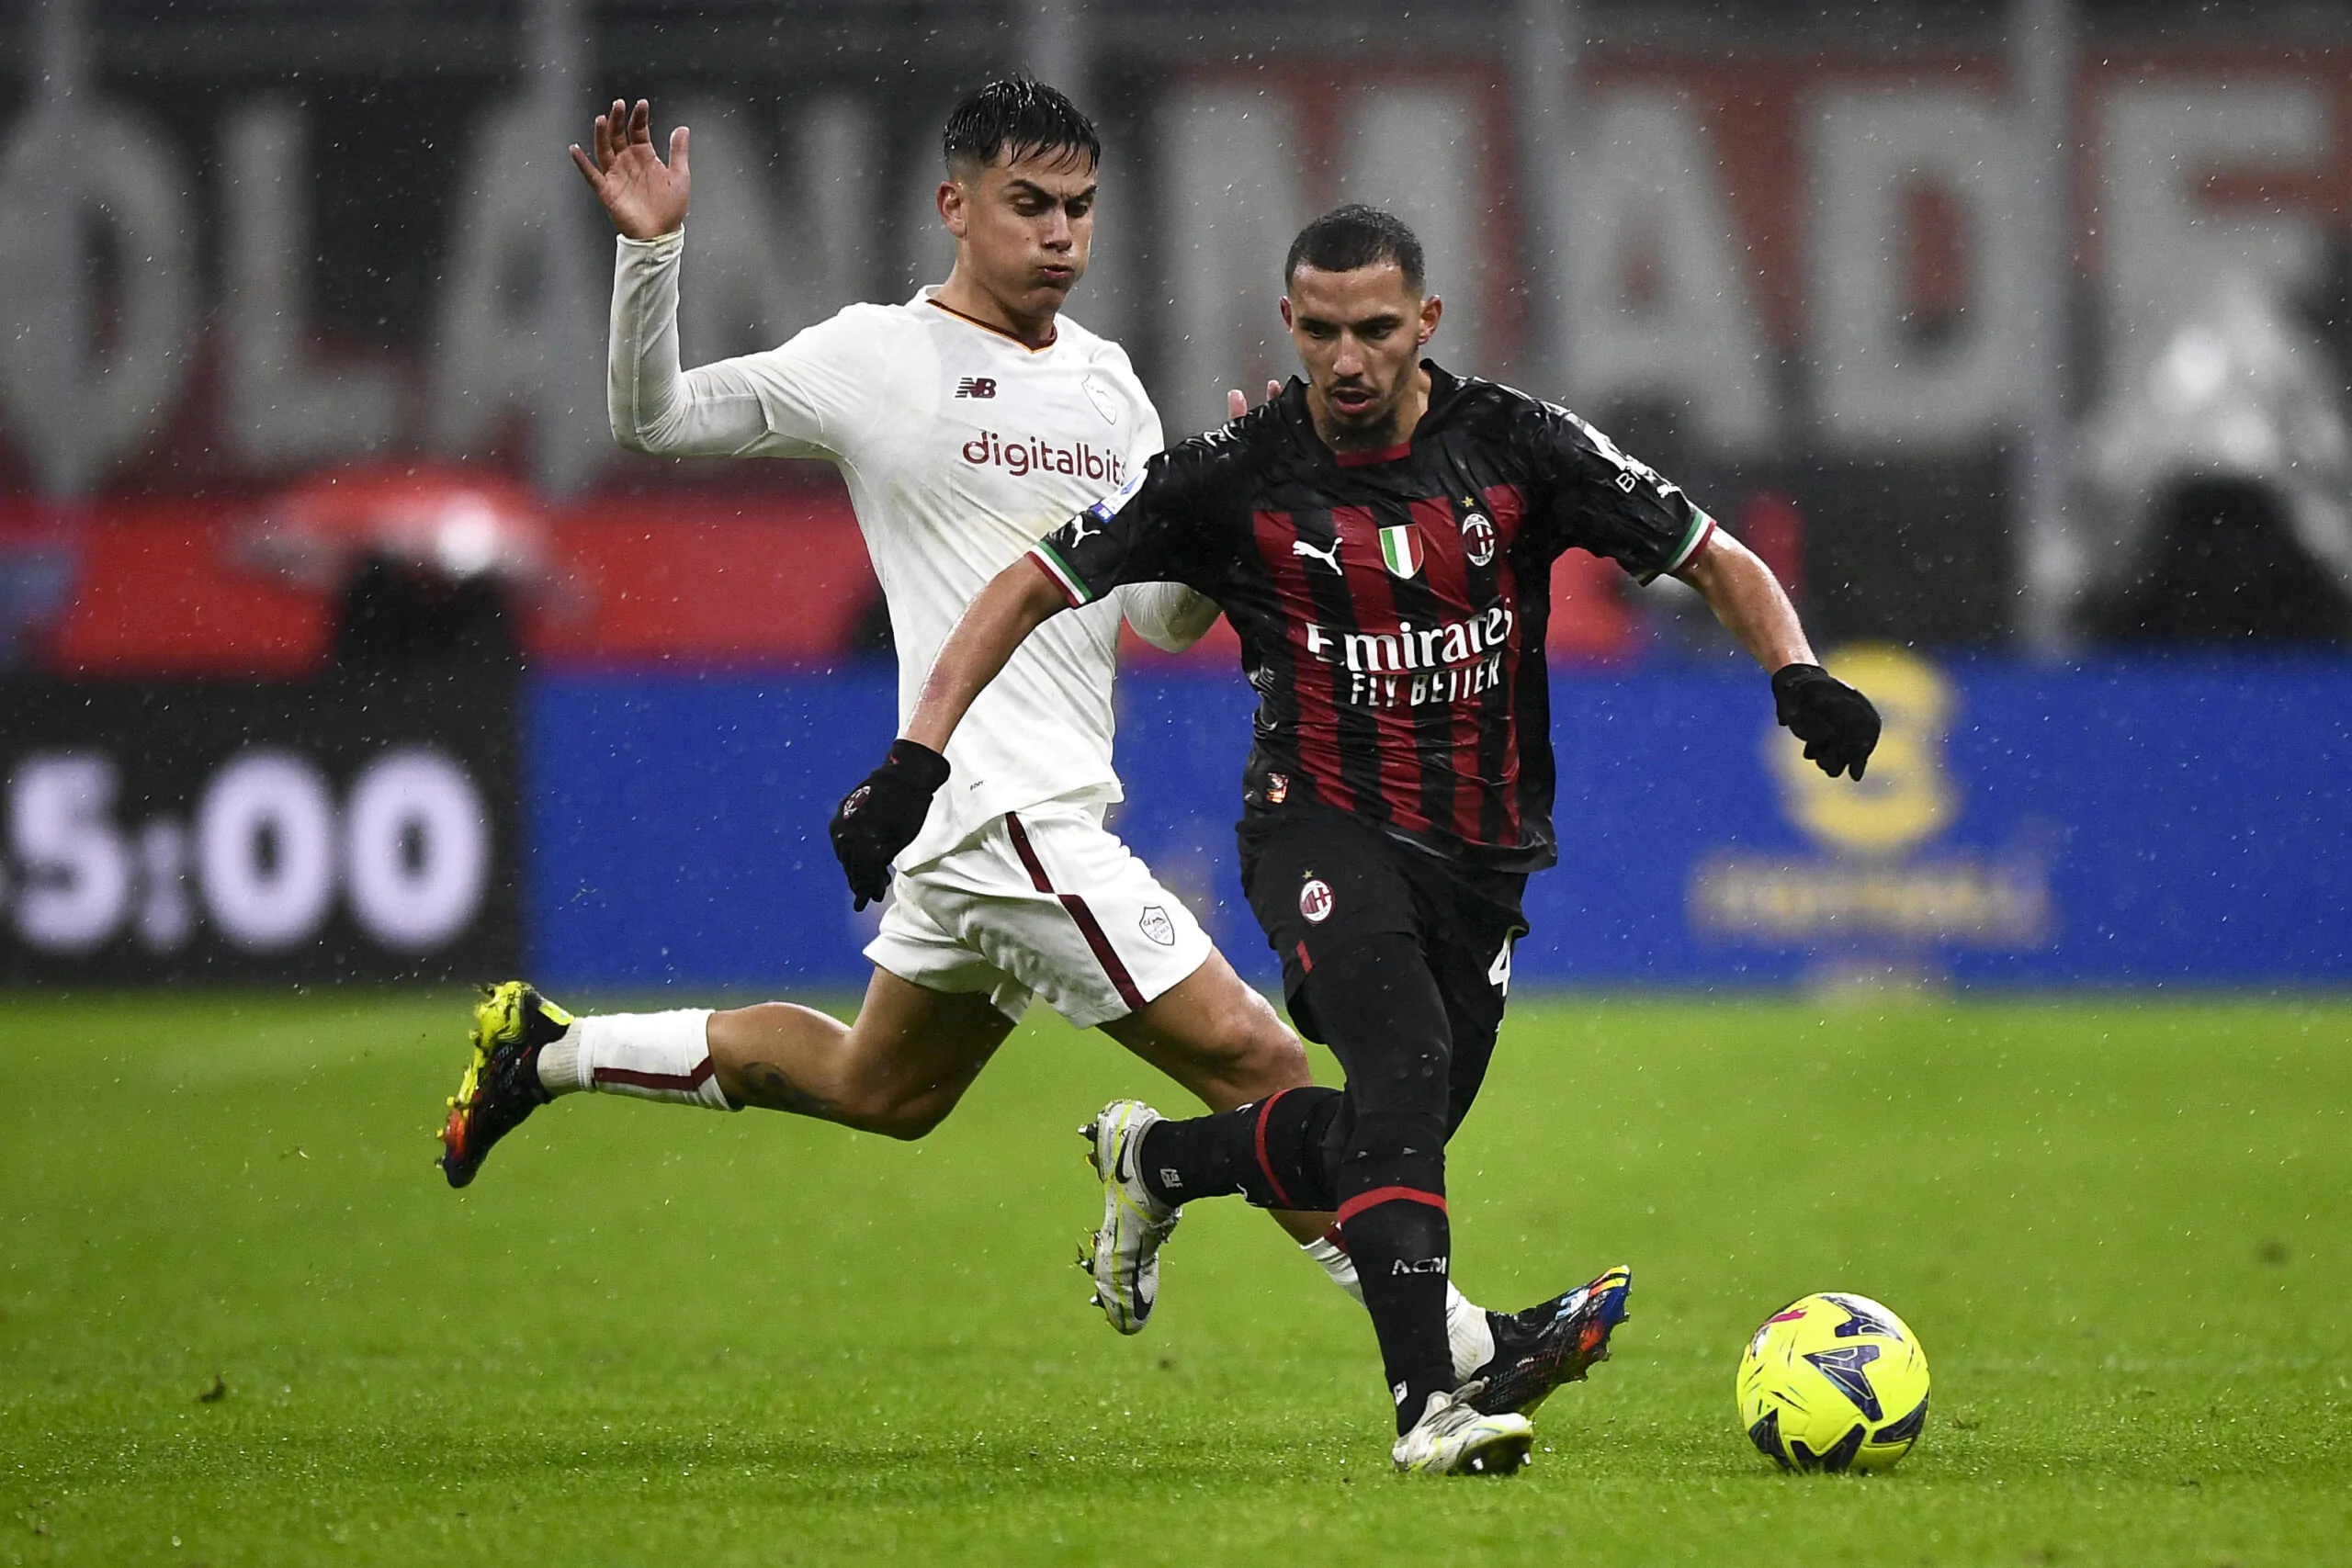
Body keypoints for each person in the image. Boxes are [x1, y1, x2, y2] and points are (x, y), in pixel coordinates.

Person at [437, 85, 1603, 1416]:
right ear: (955, 206)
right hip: (994, 811)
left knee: (880, 1085)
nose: (1060, 234)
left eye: (1081, 209)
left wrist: (1243, 533)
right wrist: (653, 254)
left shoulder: (1106, 384)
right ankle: (1455, 1348)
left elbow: (1156, 619)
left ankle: (549, 1050)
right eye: (1028, 204)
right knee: (1267, 1065)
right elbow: (655, 420)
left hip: (1028, 814)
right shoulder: (877, 355)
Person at [833, 204, 1883, 1474]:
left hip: (1482, 856)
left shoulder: (1516, 446)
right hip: (1316, 826)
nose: (1348, 358)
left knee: (1394, 1124)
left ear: (1424, 324)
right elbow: (1030, 581)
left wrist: (1796, 669)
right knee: (1399, 1068)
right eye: (1322, 330)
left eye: (1376, 330)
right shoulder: (1235, 470)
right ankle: (1428, 1404)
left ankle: (1158, 1161)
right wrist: (917, 755)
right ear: (1290, 325)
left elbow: (1711, 553)